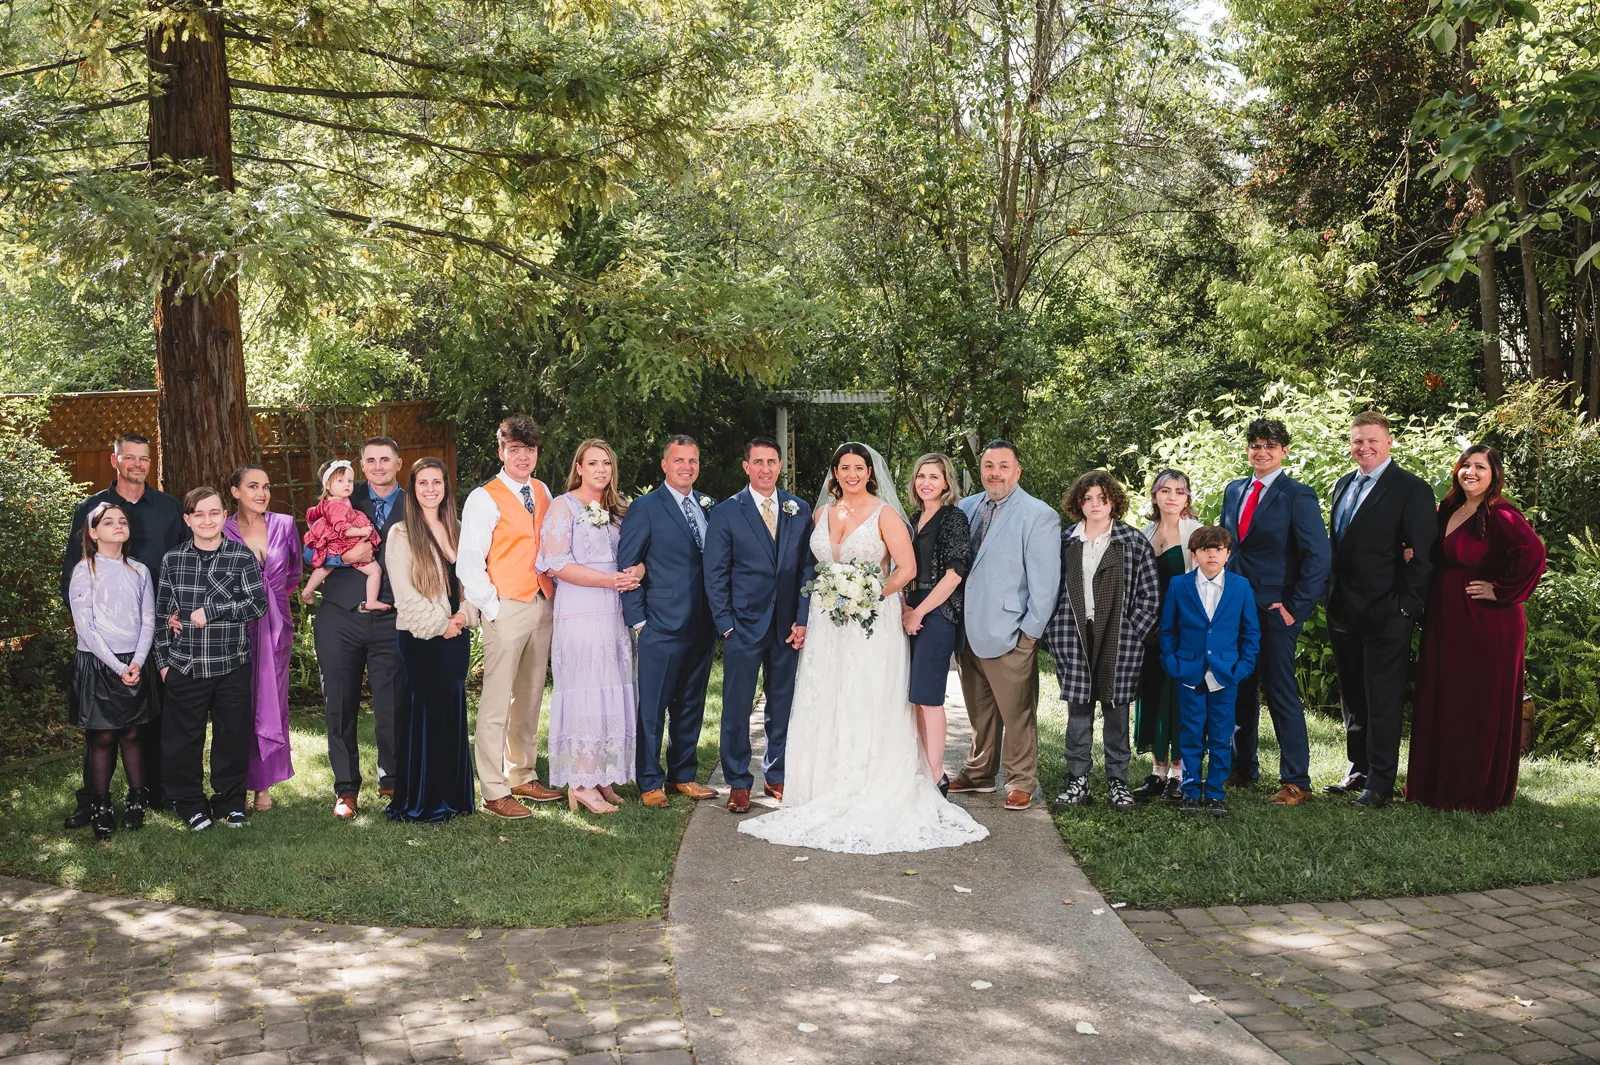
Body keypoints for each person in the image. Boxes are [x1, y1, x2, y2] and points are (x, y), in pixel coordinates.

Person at [738, 442, 988, 853]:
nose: (851, 474)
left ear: (870, 472)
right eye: (844, 467)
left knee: (867, 697)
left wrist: (868, 594)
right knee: (827, 698)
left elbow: (905, 569)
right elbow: (812, 567)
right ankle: (824, 783)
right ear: (834, 472)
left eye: (859, 467)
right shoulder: (820, 513)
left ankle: (873, 781)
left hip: (872, 623)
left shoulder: (885, 514)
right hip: (826, 624)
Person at [1407, 446, 1546, 813]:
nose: (1470, 472)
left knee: (1475, 702)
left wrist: (1501, 591)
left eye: (1479, 467)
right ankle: (1435, 786)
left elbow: (1534, 552)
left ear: (1493, 474)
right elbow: (1437, 553)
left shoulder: (1500, 513)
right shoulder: (1449, 509)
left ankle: (1474, 790)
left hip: (1487, 624)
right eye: (1466, 465)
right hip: (1446, 620)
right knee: (1444, 697)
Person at [60, 432, 184, 824]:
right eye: (129, 457)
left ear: (151, 462)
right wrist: (88, 631)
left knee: (149, 720)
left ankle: (152, 792)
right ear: (115, 461)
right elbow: (72, 570)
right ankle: (92, 800)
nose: (137, 464)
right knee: (101, 730)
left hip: (157, 630)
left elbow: (182, 564)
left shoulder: (168, 508)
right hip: (102, 642)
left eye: (144, 458)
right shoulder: (92, 508)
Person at [1323, 411, 1439, 808]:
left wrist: (1406, 607)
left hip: (1387, 611)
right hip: (1342, 609)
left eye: (1372, 440)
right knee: (1353, 694)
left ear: (1389, 442)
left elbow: (1422, 556)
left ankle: (1380, 782)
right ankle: (1358, 767)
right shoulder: (1342, 485)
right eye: (1357, 441)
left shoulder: (1411, 489)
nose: (1364, 447)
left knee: (1383, 697)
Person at [1218, 418, 1330, 806]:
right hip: (1234, 606)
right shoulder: (1234, 490)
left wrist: (1296, 609)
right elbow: (1227, 548)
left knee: (1280, 691)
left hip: (1276, 609)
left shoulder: (1297, 495)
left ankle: (1296, 780)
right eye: (1254, 443)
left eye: (1270, 444)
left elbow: (1318, 556)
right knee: (1239, 689)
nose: (1261, 451)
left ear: (1284, 450)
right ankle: (1242, 767)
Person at [947, 441, 1061, 812]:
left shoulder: (1037, 514)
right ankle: (979, 774)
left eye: (1003, 466)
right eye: (989, 465)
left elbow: (1045, 583)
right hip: (966, 629)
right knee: (979, 710)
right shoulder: (966, 508)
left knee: (1017, 712)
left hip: (1011, 630)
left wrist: (1030, 633)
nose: (995, 472)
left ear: (1018, 471)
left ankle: (1020, 780)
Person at [703, 436, 815, 813]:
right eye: (758, 462)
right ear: (746, 466)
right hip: (743, 626)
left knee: (782, 704)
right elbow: (715, 573)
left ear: (780, 466)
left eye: (771, 461)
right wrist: (726, 625)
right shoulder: (726, 512)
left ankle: (777, 773)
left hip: (786, 626)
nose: (765, 468)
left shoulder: (798, 508)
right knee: (736, 706)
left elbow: (807, 569)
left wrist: (802, 619)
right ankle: (737, 781)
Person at [458, 416, 562, 820]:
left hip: (542, 603)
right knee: (497, 701)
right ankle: (494, 789)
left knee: (531, 695)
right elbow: (469, 563)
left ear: (537, 453)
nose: (523, 457)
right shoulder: (484, 497)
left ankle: (522, 773)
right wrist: (493, 606)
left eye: (529, 450)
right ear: (502, 452)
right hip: (506, 606)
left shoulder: (542, 490)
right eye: (515, 450)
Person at [1043, 472, 1160, 813]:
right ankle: (1078, 780)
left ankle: (1117, 782)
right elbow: (1048, 589)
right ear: (1078, 502)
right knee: (1078, 709)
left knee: (1116, 709)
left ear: (1113, 501)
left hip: (1119, 634)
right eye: (1088, 498)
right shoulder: (1064, 542)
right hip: (1074, 631)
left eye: (1102, 498)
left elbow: (1151, 596)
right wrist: (1053, 631)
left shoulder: (1133, 542)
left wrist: (1134, 632)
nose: (1095, 504)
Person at [536, 440, 641, 814]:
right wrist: (608, 581)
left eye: (606, 464)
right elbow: (555, 563)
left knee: (610, 685)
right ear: (578, 467)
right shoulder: (563, 507)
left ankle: (600, 775)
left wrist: (636, 572)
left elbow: (635, 553)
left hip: (614, 611)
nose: (600, 470)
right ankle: (580, 782)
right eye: (592, 463)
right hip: (581, 609)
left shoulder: (618, 509)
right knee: (585, 688)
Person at [155, 487, 268, 832]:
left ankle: (230, 802)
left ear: (224, 516)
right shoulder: (172, 560)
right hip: (186, 665)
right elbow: (161, 616)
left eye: (215, 513)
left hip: (231, 663)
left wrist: (215, 611)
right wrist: (163, 663)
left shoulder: (241, 556)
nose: (208, 520)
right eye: (199, 514)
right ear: (187, 520)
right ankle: (189, 803)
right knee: (183, 740)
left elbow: (257, 604)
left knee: (231, 736)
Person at [617, 435, 719, 809]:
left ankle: (684, 775)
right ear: (665, 465)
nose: (686, 467)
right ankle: (649, 780)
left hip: (703, 623)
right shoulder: (645, 508)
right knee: (654, 706)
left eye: (692, 461)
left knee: (691, 702)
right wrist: (639, 621)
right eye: (679, 460)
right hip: (659, 624)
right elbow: (628, 566)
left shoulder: (709, 506)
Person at [310, 437, 408, 819]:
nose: (378, 466)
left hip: (393, 616)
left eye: (386, 459)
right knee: (339, 704)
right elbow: (308, 550)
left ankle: (393, 780)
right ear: (362, 466)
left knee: (392, 703)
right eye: (371, 460)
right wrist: (341, 554)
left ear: (399, 463)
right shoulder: (341, 496)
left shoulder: (413, 501)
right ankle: (346, 789)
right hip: (340, 615)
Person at [386, 458, 479, 823]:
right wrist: (443, 625)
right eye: (422, 483)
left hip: (457, 637)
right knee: (425, 716)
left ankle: (454, 798)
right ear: (413, 488)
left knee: (452, 714)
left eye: (436, 482)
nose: (429, 489)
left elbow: (476, 579)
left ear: (445, 487)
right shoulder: (401, 534)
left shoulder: (458, 529)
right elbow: (404, 595)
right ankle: (424, 800)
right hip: (423, 639)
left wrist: (464, 616)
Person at [66, 503, 156, 839]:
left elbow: (149, 618)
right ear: (93, 532)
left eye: (122, 521)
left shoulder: (140, 571)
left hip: (134, 662)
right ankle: (100, 805)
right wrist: (118, 666)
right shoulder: (84, 571)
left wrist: (137, 661)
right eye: (108, 521)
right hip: (100, 664)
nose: (117, 525)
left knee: (132, 733)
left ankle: (137, 799)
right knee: (102, 735)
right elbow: (85, 628)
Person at [1159, 526, 1261, 818]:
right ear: (1194, 555)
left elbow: (1250, 632)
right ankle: (1191, 791)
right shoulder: (1180, 585)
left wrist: (1242, 667)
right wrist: (1172, 662)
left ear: (1228, 554)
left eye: (1218, 549)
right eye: (1205, 549)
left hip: (1225, 673)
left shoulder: (1240, 586)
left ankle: (1215, 792)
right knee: (1190, 733)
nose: (1212, 554)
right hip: (1189, 672)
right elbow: (1168, 629)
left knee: (1220, 735)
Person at [223, 465, 303, 812]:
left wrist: (272, 604)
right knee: (238, 705)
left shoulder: (285, 524)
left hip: (276, 627)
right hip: (234, 628)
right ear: (234, 491)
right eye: (252, 486)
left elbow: (294, 573)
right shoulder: (222, 529)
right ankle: (237, 782)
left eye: (266, 487)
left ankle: (263, 786)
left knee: (274, 703)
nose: (262, 493)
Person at [901, 453, 970, 795]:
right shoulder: (912, 519)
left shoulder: (953, 518)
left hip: (938, 613)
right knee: (913, 697)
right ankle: (923, 768)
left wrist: (918, 613)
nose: (926, 482)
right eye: (921, 476)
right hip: (909, 608)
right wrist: (903, 606)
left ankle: (936, 776)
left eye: (934, 476)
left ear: (946, 483)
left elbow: (954, 575)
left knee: (929, 698)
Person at [1133, 470, 1202, 804]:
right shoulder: (1145, 533)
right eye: (1165, 490)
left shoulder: (1196, 534)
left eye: (1179, 491)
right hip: (1149, 632)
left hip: (1183, 630)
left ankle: (1179, 774)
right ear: (1155, 495)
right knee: (1154, 697)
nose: (1172, 496)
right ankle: (1158, 773)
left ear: (1187, 498)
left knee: (1180, 701)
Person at [301, 460, 386, 612]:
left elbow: (312, 512)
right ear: (327, 485)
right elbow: (343, 529)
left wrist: (311, 523)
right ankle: (371, 600)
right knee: (375, 571)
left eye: (349, 480)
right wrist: (360, 532)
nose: (347, 484)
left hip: (334, 542)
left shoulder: (329, 502)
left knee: (326, 567)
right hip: (345, 542)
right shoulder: (337, 507)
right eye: (340, 481)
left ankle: (308, 590)